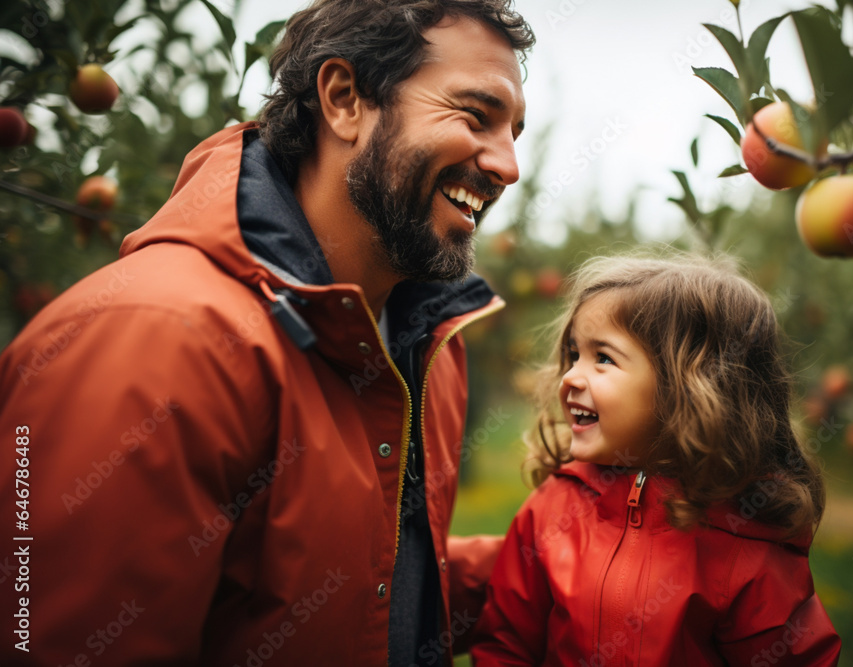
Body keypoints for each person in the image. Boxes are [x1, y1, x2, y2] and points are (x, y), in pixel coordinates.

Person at [0, 1, 533, 665]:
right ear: (344, 100)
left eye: (513, 131)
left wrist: (576, 557)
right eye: (475, 116)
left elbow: (364, 585)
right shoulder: (154, 342)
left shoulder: (427, 343)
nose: (509, 166)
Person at [470, 254, 842, 665]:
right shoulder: (552, 509)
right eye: (575, 354)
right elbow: (506, 645)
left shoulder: (745, 540)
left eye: (604, 358)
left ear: (689, 386)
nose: (571, 376)